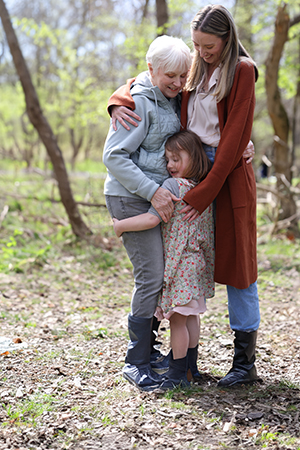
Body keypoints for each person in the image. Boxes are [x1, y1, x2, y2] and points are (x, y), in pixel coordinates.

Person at [109, 4, 261, 388]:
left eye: (208, 46)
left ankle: (243, 363)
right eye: (197, 45)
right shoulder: (193, 67)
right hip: (190, 167)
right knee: (176, 263)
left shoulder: (241, 70)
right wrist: (118, 100)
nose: (202, 53)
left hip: (224, 171)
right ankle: (167, 358)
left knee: (238, 268)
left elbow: (233, 135)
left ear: (226, 41)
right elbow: (153, 77)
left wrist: (205, 192)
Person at [103, 35, 192, 392]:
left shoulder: (170, 98)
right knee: (151, 276)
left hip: (156, 199)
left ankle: (150, 353)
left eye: (183, 76)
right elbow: (113, 156)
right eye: (170, 75)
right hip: (131, 198)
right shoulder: (138, 103)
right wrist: (154, 192)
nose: (178, 82)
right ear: (151, 69)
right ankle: (136, 361)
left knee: (162, 274)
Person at [113, 130, 214, 389]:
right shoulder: (204, 189)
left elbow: (152, 218)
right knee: (191, 317)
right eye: (167, 159)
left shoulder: (172, 187)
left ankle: (177, 374)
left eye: (176, 158)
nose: (170, 165)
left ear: (194, 157)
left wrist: (120, 225)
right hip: (197, 264)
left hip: (181, 265)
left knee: (178, 321)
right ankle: (191, 368)